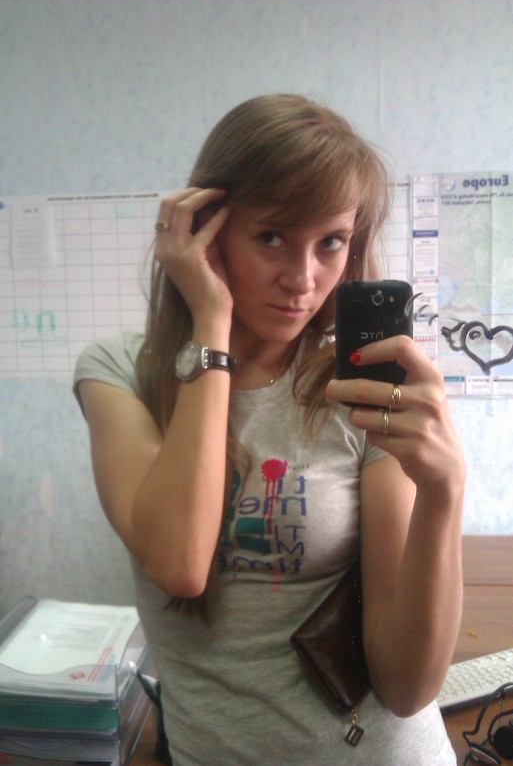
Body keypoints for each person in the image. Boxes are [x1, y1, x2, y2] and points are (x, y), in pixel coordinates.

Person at [73, 94, 465, 765]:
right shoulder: (120, 374)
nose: (302, 279)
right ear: (205, 230)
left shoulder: (357, 391)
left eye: (331, 242)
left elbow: (405, 688)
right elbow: (179, 564)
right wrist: (211, 323)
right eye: (272, 236)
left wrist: (444, 493)